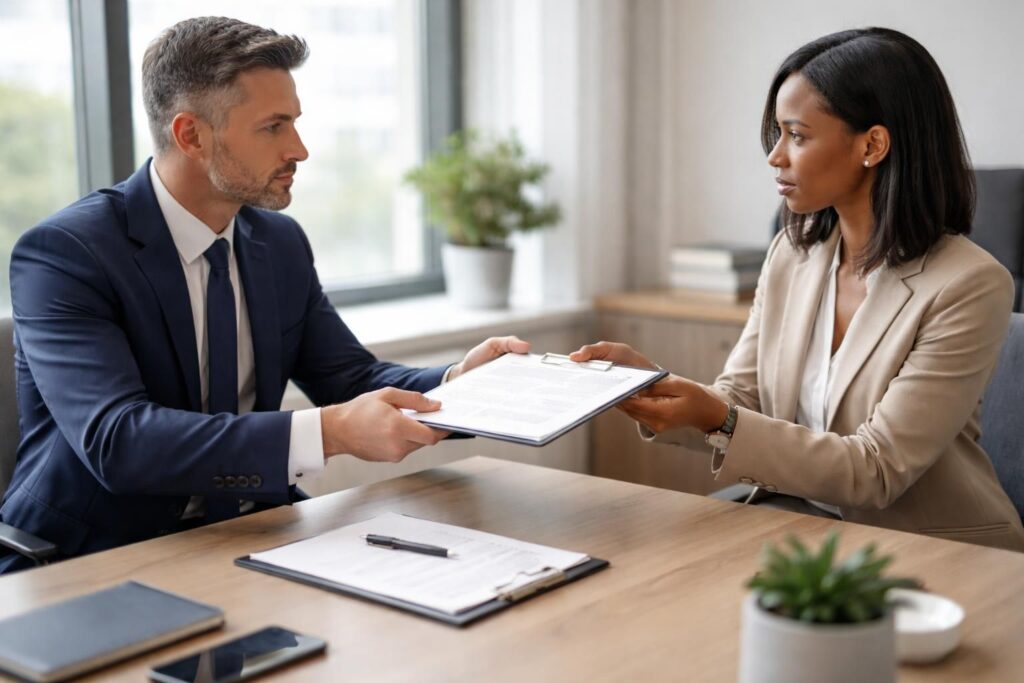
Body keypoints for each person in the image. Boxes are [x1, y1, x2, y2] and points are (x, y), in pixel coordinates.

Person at [0, 16, 529, 574]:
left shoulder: (277, 243)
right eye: (273, 127)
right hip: (94, 559)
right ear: (191, 136)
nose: (299, 149)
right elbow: (119, 442)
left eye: (294, 123)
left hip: (253, 534)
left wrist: (464, 385)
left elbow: (351, 380)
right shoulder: (66, 253)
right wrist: (330, 432)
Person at [572, 28, 1024, 551]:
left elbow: (875, 469)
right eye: (778, 134)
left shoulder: (970, 284)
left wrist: (717, 415)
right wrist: (646, 388)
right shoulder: (793, 254)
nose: (775, 156)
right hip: (802, 526)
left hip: (934, 549)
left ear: (872, 145)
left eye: (797, 135)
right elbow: (738, 400)